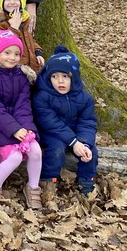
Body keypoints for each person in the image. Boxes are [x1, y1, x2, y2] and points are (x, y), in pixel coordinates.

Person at [0, 30, 42, 208]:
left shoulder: (22, 78)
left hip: (19, 125)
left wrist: (27, 128)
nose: (12, 57)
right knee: (15, 157)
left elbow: (23, 106)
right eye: (7, 52)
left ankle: (33, 188)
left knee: (36, 151)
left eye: (16, 54)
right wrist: (14, 129)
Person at [33, 46, 98, 196]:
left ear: (74, 77)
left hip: (75, 133)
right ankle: (49, 180)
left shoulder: (84, 98)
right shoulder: (43, 97)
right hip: (51, 133)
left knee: (91, 152)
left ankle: (86, 182)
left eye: (65, 76)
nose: (60, 81)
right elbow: (49, 122)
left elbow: (87, 123)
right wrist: (73, 142)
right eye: (54, 76)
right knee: (56, 149)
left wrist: (84, 143)